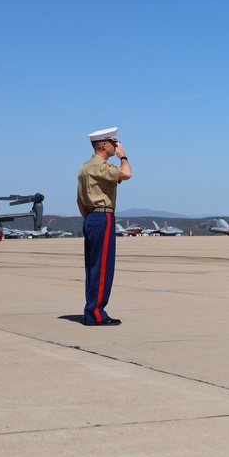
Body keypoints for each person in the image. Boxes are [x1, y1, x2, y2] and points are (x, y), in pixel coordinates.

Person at [76, 127, 132, 326]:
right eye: (114, 143)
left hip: (91, 217)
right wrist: (123, 156)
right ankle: (96, 313)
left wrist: (89, 219)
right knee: (103, 268)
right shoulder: (100, 166)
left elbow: (79, 200)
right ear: (104, 145)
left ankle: (92, 310)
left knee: (93, 268)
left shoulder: (84, 167)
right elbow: (126, 173)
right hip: (102, 217)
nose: (116, 146)